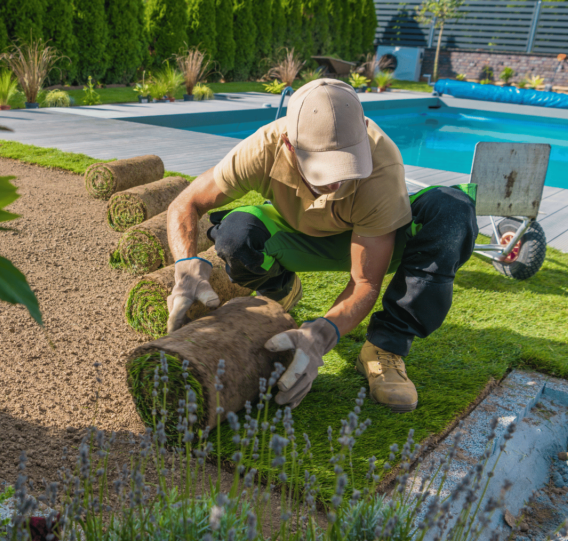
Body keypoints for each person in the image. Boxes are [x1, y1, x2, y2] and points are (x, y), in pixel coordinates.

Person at [164, 79, 478, 412]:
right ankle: (280, 289)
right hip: (300, 233)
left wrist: (323, 333)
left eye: (346, 164)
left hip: (377, 238)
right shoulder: (262, 148)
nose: (335, 181)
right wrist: (185, 264)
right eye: (323, 167)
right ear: (288, 144)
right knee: (234, 234)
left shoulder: (381, 163)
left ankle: (385, 346)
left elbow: (364, 282)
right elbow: (186, 203)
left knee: (452, 211)